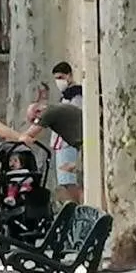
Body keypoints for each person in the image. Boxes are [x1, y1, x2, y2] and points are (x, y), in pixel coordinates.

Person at [51, 61, 84, 203]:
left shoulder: (76, 95)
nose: (58, 81)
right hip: (60, 144)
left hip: (68, 143)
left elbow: (73, 116)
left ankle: (76, 206)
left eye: (60, 77)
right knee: (63, 182)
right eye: (56, 78)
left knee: (69, 181)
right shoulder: (65, 97)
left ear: (69, 76)